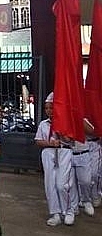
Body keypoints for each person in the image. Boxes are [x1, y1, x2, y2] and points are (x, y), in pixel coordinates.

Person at [34, 92, 78, 226]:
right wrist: (49, 143)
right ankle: (55, 213)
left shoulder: (67, 122)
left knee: (61, 184)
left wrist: (61, 131)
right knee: (50, 184)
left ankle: (69, 210)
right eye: (46, 108)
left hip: (64, 152)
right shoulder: (43, 124)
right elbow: (38, 141)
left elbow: (71, 140)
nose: (49, 111)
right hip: (48, 153)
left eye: (51, 107)